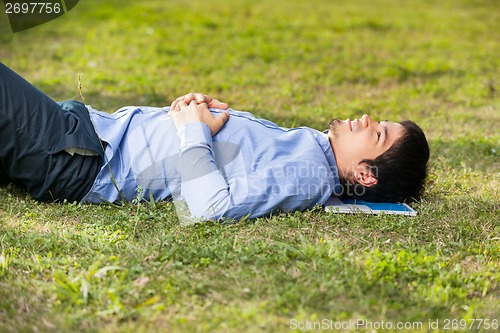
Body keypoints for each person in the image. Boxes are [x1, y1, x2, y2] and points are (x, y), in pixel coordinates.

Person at [0, 62, 429, 221]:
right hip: (84, 132)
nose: (368, 118)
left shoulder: (308, 175)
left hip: (77, 156)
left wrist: (193, 128)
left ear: (364, 176)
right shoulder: (310, 149)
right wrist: (193, 111)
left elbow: (208, 208)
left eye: (378, 133)